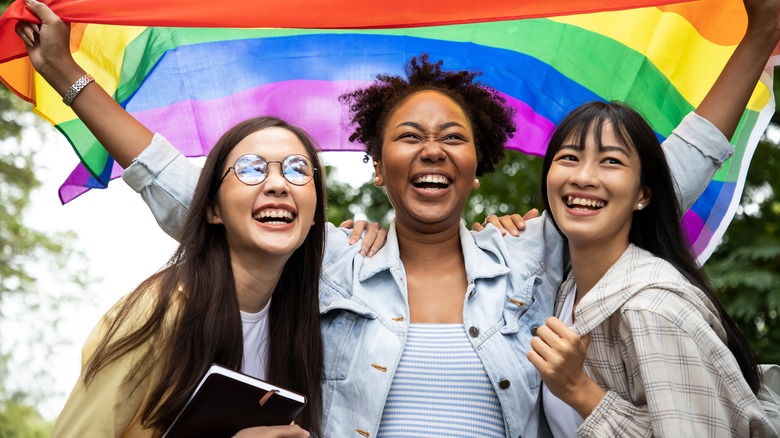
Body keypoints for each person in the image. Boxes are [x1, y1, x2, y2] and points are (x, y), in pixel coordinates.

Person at [14, 0, 777, 435]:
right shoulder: (331, 259)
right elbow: (192, 190)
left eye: (453, 139)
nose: (432, 151)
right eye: (409, 139)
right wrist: (68, 74)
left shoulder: (534, 258)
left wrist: (759, 39)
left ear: (480, 166)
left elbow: (659, 172)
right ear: (378, 168)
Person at [527, 101, 776, 437]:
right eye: (569, 158)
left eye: (611, 161)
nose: (583, 177)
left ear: (643, 195)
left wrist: (578, 389)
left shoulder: (653, 309)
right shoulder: (567, 289)